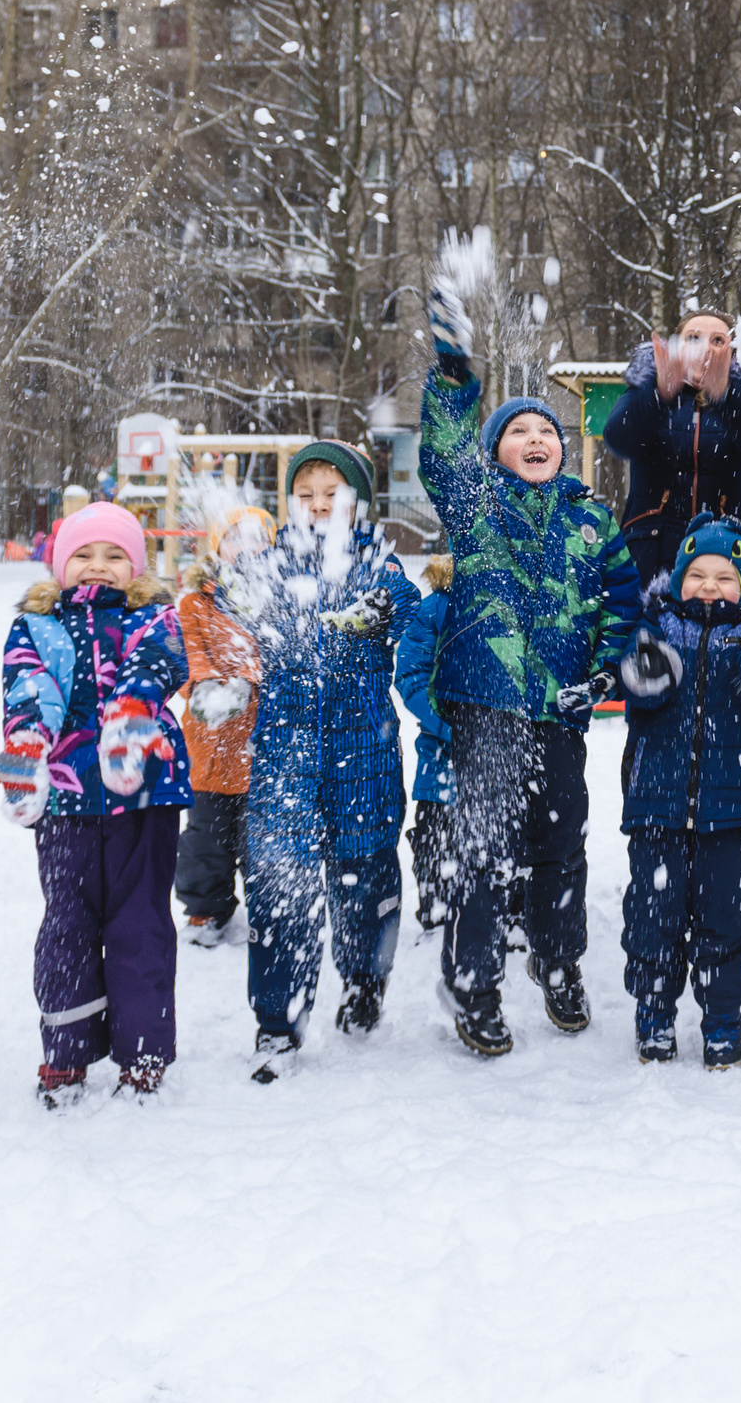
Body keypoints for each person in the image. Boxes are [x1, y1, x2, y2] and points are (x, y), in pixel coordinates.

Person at [420, 287, 642, 1056]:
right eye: (518, 429)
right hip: (488, 706)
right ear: (495, 452)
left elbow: (622, 596)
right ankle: (476, 983)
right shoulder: (475, 503)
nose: (536, 435)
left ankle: (557, 959)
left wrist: (612, 663)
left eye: (546, 427)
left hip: (562, 712)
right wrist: (454, 374)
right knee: (483, 848)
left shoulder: (591, 518)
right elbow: (443, 450)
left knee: (560, 845)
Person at [0, 503, 191, 1106]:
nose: (98, 566)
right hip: (66, 797)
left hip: (144, 793)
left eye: (114, 556)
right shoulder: (37, 626)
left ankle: (142, 1053)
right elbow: (29, 685)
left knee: (141, 925)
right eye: (83, 554)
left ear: (136, 568)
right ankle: (67, 1052)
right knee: (67, 926)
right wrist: (26, 742)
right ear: (58, 564)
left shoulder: (153, 616)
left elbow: (157, 666)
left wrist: (129, 713)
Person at [239, 441, 422, 1080]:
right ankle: (277, 1020)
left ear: (356, 502)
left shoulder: (376, 560)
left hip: (363, 753)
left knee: (365, 876)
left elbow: (409, 609)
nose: (319, 507)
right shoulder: (267, 565)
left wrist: (382, 609)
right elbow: (238, 623)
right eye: (306, 496)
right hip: (286, 754)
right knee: (279, 885)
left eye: (333, 495)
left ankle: (365, 982)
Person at [615, 514, 741, 1069]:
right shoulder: (658, 629)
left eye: (726, 576)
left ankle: (722, 1018)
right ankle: (654, 1013)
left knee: (726, 918)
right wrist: (645, 674)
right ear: (678, 577)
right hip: (657, 809)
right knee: (654, 917)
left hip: (729, 813)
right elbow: (638, 688)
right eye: (699, 574)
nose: (710, 586)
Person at [602, 310, 741, 591]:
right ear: (677, 347)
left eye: (717, 340)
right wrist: (659, 394)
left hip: (724, 557)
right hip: (649, 556)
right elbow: (619, 439)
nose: (706, 348)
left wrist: (727, 394)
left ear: (733, 352)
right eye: (694, 338)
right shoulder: (648, 387)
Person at [175, 507, 272, 947]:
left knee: (262, 841)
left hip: (263, 748)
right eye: (236, 538)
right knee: (205, 840)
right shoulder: (196, 602)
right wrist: (210, 687)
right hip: (211, 747)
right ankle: (205, 908)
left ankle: (269, 909)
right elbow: (189, 657)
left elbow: (279, 656)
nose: (247, 547)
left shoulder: (281, 597)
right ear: (217, 546)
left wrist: (248, 680)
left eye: (258, 538)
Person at [394, 554, 457, 933]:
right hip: (441, 757)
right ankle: (436, 908)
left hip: (497, 754)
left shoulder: (510, 599)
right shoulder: (435, 607)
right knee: (435, 836)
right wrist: (446, 724)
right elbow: (412, 674)